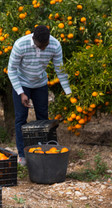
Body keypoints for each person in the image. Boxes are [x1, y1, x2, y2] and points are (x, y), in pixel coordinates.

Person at [7, 25, 71, 166]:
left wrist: (68, 92)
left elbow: (60, 69)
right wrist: (21, 93)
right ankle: (23, 155)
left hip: (40, 83)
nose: (42, 48)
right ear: (33, 39)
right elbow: (11, 70)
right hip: (21, 82)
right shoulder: (20, 44)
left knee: (43, 118)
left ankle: (47, 151)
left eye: (45, 45)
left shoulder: (55, 45)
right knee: (21, 119)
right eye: (39, 45)